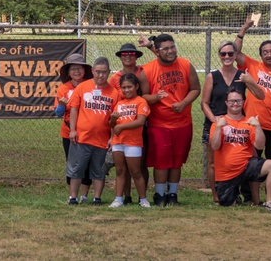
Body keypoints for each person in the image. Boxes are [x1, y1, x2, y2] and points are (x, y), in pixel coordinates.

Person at [137, 34, 200, 207]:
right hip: (159, 124)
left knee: (176, 161)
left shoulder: (186, 65)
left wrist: (184, 103)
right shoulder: (147, 70)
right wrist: (156, 97)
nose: (171, 51)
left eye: (172, 47)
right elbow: (143, 98)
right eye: (166, 48)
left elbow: (195, 89)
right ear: (157, 51)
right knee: (162, 162)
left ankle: (172, 195)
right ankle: (159, 196)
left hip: (183, 122)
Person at [200, 39, 263, 204]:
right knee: (214, 162)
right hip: (217, 124)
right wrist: (214, 120)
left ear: (236, 55)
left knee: (249, 159)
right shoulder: (212, 76)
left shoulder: (242, 75)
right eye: (223, 53)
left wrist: (250, 81)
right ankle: (216, 196)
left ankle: (251, 197)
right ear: (219, 55)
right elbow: (204, 103)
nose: (227, 56)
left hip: (239, 124)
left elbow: (261, 96)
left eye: (230, 53)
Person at [210, 89, 271, 211]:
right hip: (227, 173)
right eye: (232, 101)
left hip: (246, 166)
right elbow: (214, 146)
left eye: (238, 101)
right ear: (226, 103)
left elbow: (259, 146)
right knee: (227, 203)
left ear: (243, 102)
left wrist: (257, 126)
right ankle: (234, 195)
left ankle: (269, 202)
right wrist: (218, 128)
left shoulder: (249, 122)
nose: (235, 104)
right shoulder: (219, 123)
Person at [234, 18, 271, 168]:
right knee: (251, 161)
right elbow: (235, 52)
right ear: (260, 55)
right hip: (253, 123)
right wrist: (243, 29)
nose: (269, 55)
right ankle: (249, 191)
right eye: (265, 52)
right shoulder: (253, 65)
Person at [68, 57, 118, 205]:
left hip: (102, 139)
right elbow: (74, 109)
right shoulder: (82, 87)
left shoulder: (114, 93)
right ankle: (73, 197)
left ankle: (97, 198)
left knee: (99, 171)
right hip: (82, 137)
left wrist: (112, 138)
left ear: (109, 72)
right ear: (92, 71)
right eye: (97, 72)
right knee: (77, 169)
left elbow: (115, 120)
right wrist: (72, 130)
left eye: (104, 72)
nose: (100, 75)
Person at [106, 42, 147, 204]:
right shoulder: (119, 102)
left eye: (130, 87)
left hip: (133, 140)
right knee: (120, 170)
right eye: (124, 88)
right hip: (118, 141)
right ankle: (119, 198)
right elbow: (112, 123)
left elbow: (140, 121)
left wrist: (120, 126)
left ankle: (143, 199)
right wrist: (114, 122)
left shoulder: (140, 100)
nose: (127, 90)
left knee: (136, 171)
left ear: (136, 87)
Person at [55, 53, 93, 203]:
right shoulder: (63, 89)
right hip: (68, 131)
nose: (76, 72)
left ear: (84, 70)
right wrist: (62, 106)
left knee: (87, 163)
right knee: (72, 163)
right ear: (68, 72)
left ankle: (84, 195)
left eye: (79, 68)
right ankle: (73, 195)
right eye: (73, 69)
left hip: (87, 131)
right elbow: (58, 113)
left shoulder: (89, 86)